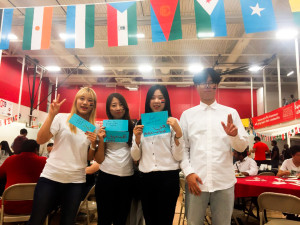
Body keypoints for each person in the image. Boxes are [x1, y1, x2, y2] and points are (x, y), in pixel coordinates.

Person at [180, 68, 248, 225]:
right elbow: (182, 148)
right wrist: (188, 173)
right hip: (196, 181)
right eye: (203, 82)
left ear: (217, 85)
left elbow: (241, 147)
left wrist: (234, 136)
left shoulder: (231, 113)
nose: (207, 86)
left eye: (211, 82)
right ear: (196, 86)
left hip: (224, 181)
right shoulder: (187, 115)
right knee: (193, 223)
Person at [28, 87, 98, 225]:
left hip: (75, 181)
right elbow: (40, 140)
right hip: (51, 177)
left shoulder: (93, 127)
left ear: (93, 105)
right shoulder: (61, 118)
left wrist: (94, 144)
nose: (85, 103)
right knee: (36, 220)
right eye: (82, 98)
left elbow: (89, 158)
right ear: (76, 101)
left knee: (68, 221)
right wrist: (51, 115)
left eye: (90, 100)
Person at [131, 85, 184, 225]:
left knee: (165, 220)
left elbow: (178, 157)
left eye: (161, 97)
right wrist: (136, 139)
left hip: (168, 178)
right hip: (146, 179)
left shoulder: (173, 123)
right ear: (148, 101)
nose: (156, 101)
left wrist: (178, 134)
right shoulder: (141, 123)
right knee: (150, 220)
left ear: (166, 101)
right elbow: (136, 157)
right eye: (153, 97)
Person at [95, 93, 135, 225]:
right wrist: (101, 139)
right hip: (106, 176)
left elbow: (136, 156)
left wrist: (138, 138)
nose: (118, 108)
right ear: (108, 109)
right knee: (104, 219)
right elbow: (99, 159)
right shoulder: (104, 129)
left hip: (127, 177)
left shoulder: (133, 127)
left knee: (121, 219)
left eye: (121, 104)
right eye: (114, 105)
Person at [0, 139, 46, 214]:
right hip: (36, 208)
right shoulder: (44, 161)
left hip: (9, 207)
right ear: (36, 149)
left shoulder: (10, 160)